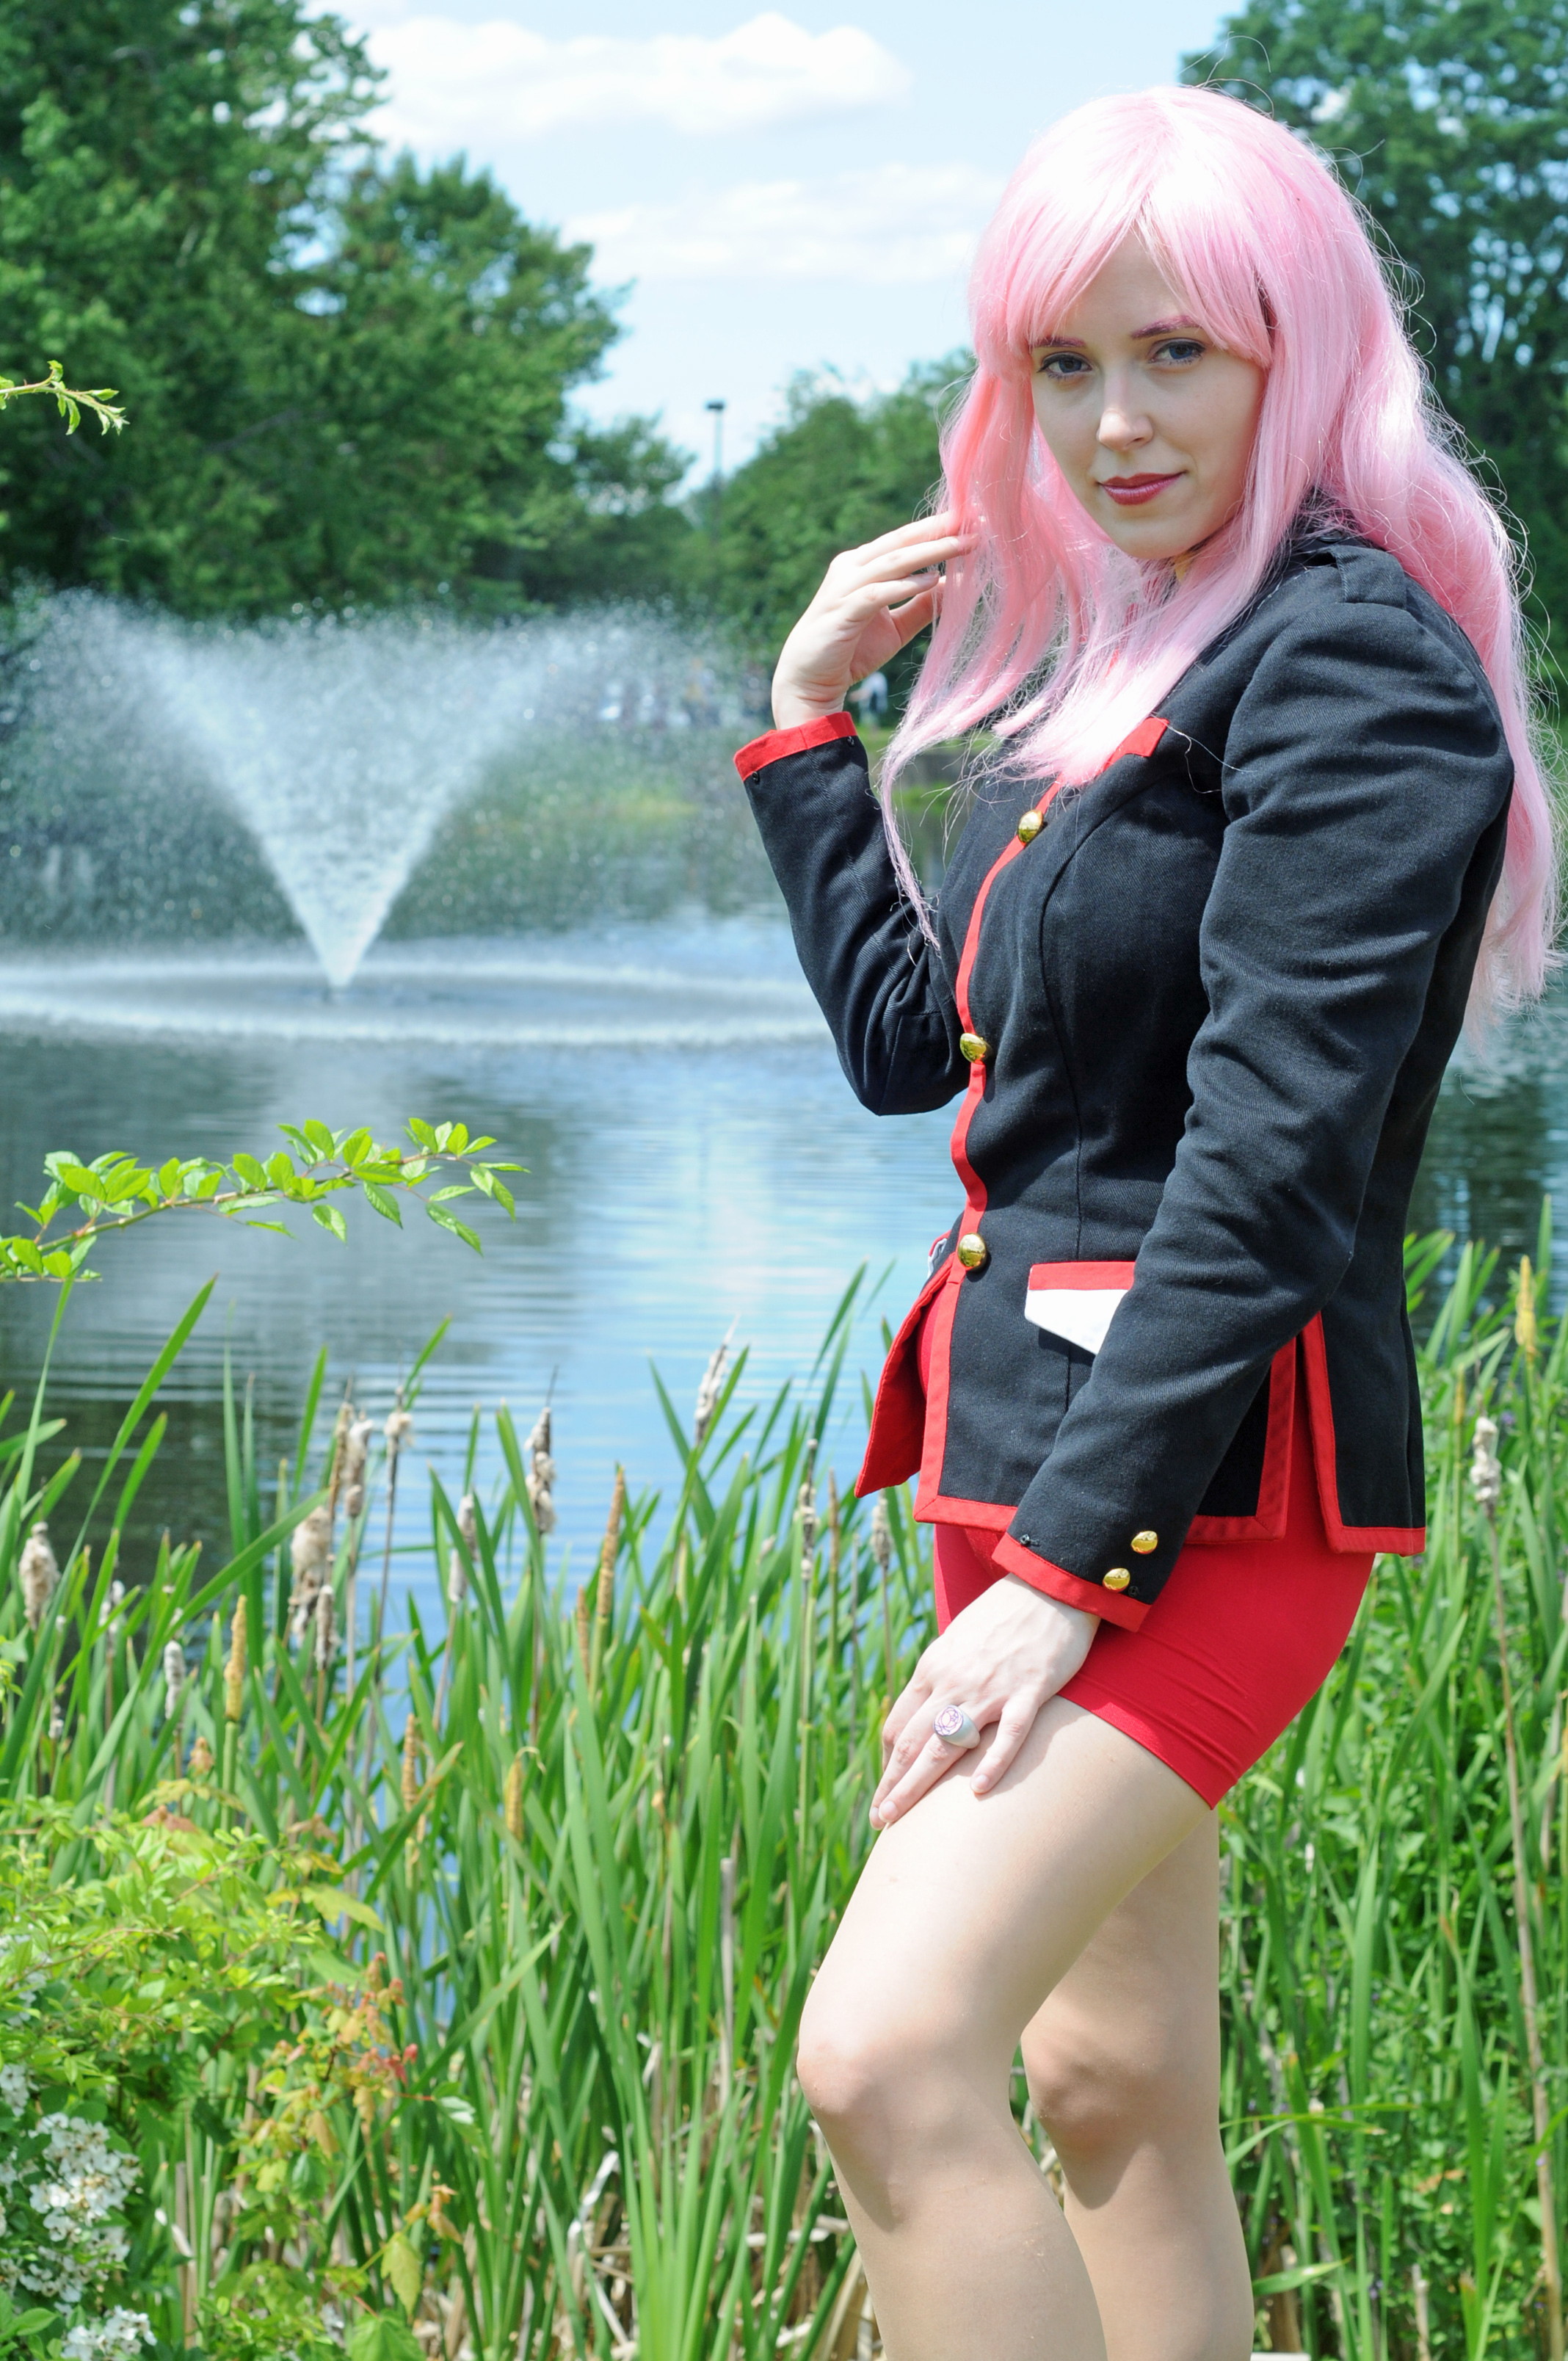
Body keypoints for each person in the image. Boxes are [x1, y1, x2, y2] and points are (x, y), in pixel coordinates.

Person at [732, 84, 1553, 2361]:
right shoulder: (1119, 667)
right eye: (1065, 363)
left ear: (1304, 353)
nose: (1115, 423)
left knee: (886, 2055)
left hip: (1199, 1494)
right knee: (1107, 2085)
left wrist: (1061, 1586)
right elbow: (917, 1047)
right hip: (1021, 1456)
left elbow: (1271, 1173)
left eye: (1179, 352)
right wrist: (808, 723)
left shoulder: (1349, 665)